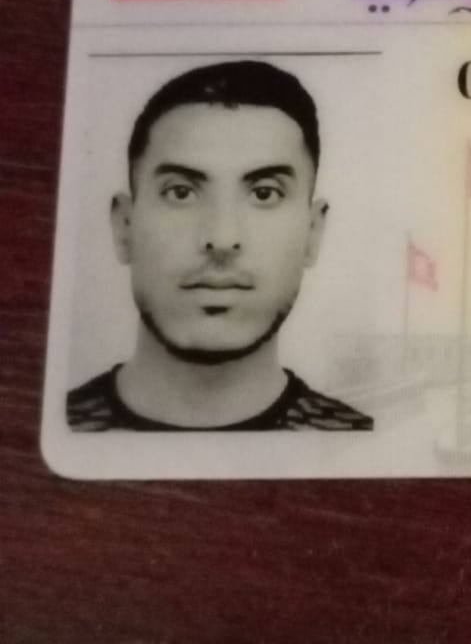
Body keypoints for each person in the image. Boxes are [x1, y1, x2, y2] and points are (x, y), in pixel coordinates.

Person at [67, 60, 372, 431]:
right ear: (124, 228)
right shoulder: (46, 430)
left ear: (313, 233)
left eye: (265, 193)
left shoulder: (362, 446)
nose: (223, 239)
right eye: (181, 192)